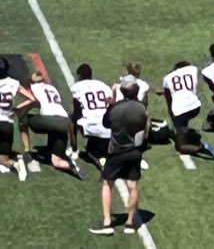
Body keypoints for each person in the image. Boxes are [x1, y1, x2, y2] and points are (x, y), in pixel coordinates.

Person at [89, 84, 148, 235]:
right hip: (135, 151)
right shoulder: (141, 108)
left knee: (107, 183)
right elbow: (146, 126)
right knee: (133, 185)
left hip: (116, 151)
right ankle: (129, 223)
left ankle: (107, 222)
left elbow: (105, 124)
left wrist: (110, 104)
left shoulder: (115, 108)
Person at [18, 71, 85, 179]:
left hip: (50, 121)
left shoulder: (34, 88)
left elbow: (32, 101)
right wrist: (74, 146)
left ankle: (27, 150)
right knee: (56, 161)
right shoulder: (52, 88)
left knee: (23, 117)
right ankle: (71, 165)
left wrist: (18, 109)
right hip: (64, 122)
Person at [159, 62, 214, 158]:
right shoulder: (193, 69)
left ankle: (201, 146)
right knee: (183, 125)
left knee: (180, 147)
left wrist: (171, 114)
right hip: (195, 106)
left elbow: (169, 99)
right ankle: (189, 133)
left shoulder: (167, 78)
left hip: (181, 110)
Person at [69, 64, 113, 165]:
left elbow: (77, 111)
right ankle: (97, 150)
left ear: (79, 76)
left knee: (72, 119)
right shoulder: (103, 86)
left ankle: (74, 149)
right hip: (107, 127)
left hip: (90, 126)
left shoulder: (77, 87)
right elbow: (111, 104)